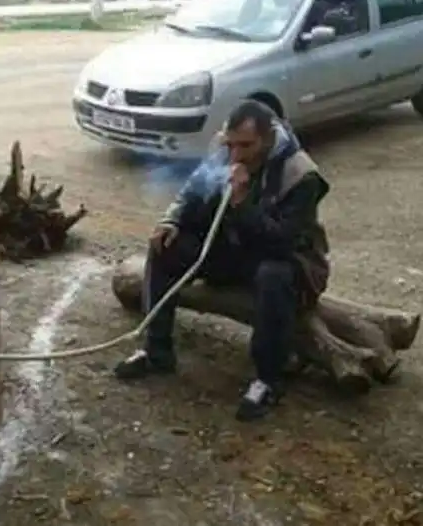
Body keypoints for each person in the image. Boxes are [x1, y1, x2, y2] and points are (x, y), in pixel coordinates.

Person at [113, 99, 331, 422]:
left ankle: (268, 379)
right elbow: (192, 191)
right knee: (164, 246)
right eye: (231, 144)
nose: (236, 154)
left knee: (273, 275)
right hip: (233, 249)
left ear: (268, 138)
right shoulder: (223, 148)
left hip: (286, 261)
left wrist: (241, 202)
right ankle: (156, 351)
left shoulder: (301, 174)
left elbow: (281, 242)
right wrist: (172, 221)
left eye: (246, 146)